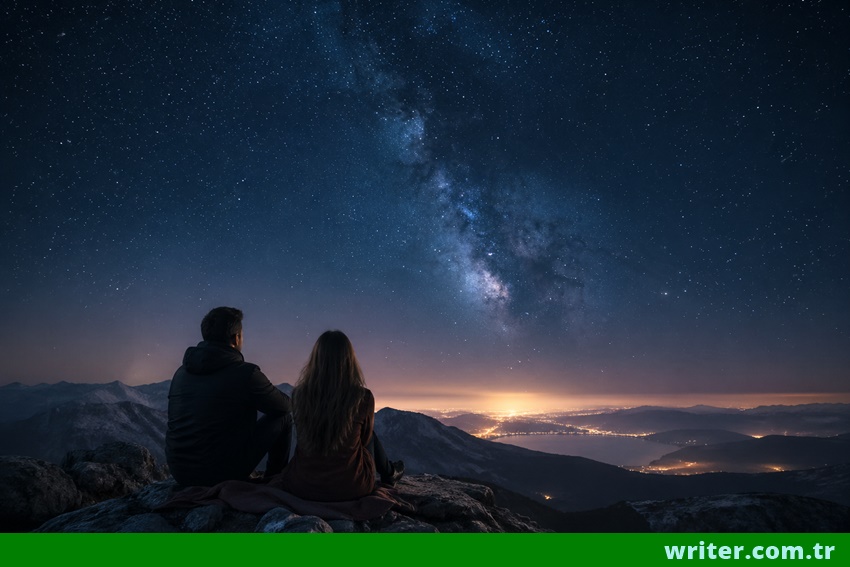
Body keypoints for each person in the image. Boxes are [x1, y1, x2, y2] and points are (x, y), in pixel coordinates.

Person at [166, 306, 293, 487]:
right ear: (236, 338)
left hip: (180, 472)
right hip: (220, 474)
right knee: (284, 418)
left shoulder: (181, 372)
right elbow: (284, 406)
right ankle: (275, 480)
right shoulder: (245, 373)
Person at [278, 330, 403, 501]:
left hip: (302, 486)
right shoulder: (362, 397)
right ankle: (389, 473)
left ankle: (390, 471)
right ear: (349, 360)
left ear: (316, 359)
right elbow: (365, 440)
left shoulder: (299, 395)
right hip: (352, 488)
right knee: (368, 433)